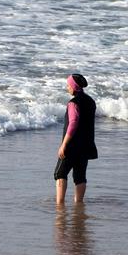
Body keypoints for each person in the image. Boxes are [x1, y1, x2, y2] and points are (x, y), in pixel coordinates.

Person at [54, 73, 98, 204]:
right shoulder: (90, 101)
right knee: (80, 177)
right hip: (86, 145)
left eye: (68, 85)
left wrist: (64, 144)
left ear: (74, 87)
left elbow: (73, 123)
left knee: (60, 173)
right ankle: (78, 204)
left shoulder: (73, 103)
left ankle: (59, 204)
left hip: (72, 145)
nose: (67, 87)